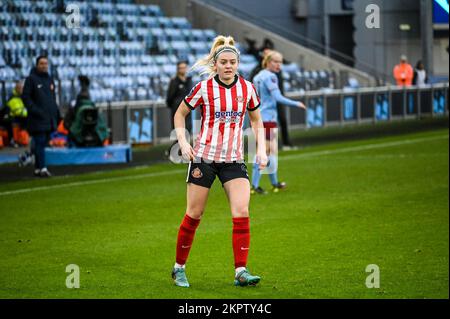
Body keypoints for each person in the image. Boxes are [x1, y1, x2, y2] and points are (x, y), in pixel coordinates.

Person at [171, 35, 268, 288]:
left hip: (233, 160)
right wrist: (182, 142)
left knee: (242, 211)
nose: (228, 66)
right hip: (204, 158)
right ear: (215, 64)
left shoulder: (247, 88)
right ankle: (179, 268)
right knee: (194, 214)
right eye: (223, 62)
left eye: (232, 62)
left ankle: (241, 271)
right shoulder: (203, 88)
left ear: (237, 64)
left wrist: (262, 150)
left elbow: (256, 120)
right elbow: (180, 114)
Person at [251, 50, 306, 195]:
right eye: (276, 61)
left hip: (258, 118)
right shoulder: (271, 77)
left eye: (281, 62)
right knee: (267, 153)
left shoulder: (258, 76)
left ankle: (273, 183)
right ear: (268, 61)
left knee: (265, 152)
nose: (279, 65)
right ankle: (255, 186)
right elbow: (278, 97)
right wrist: (296, 103)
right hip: (268, 119)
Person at [22, 56, 60, 177]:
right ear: (37, 65)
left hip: (49, 119)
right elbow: (26, 97)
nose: (44, 66)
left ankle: (38, 168)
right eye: (41, 63)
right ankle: (43, 168)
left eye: (46, 63)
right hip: (37, 119)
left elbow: (53, 99)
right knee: (39, 141)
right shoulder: (31, 79)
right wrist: (35, 110)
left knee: (42, 143)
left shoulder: (49, 79)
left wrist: (56, 113)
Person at [166, 61, 193, 133]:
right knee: (178, 132)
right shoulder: (174, 81)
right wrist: (175, 105)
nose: (183, 69)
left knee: (187, 131)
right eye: (181, 68)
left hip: (187, 110)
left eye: (184, 67)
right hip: (177, 110)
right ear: (178, 69)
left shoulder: (189, 80)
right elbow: (169, 98)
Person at [7, 80, 28, 147]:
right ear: (17, 89)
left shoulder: (22, 96)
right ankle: (14, 140)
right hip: (13, 119)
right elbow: (18, 111)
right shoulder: (13, 98)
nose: (23, 90)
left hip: (21, 119)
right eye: (21, 88)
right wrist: (30, 112)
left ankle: (20, 139)